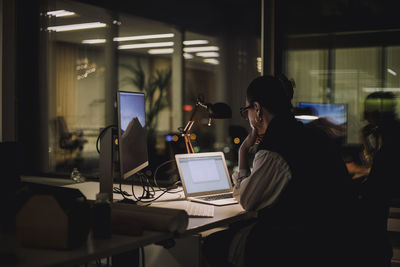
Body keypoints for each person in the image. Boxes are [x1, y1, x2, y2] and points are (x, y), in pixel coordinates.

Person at [202, 75, 358, 267]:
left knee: (210, 244)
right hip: (331, 240)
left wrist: (243, 151)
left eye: (246, 110)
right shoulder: (311, 134)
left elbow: (248, 201)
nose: (248, 117)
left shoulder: (275, 147)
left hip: (296, 245)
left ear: (257, 109)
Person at [353, 91, 400, 267]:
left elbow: (374, 185)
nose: (365, 118)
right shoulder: (390, 133)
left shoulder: (390, 139)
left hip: (379, 204)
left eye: (368, 113)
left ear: (378, 113)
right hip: (382, 202)